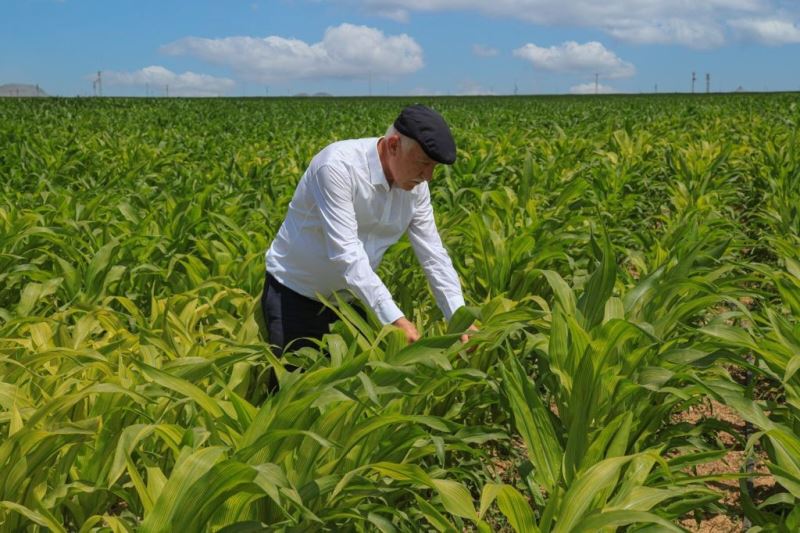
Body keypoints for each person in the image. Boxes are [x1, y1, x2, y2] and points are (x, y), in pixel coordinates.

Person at [262, 104, 476, 357]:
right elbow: (347, 254)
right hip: (295, 296)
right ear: (393, 145)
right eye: (423, 163)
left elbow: (433, 255)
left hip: (353, 301)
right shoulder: (336, 167)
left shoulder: (416, 187)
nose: (428, 176)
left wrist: (459, 317)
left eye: (434, 167)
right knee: (294, 386)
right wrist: (395, 319)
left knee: (357, 389)